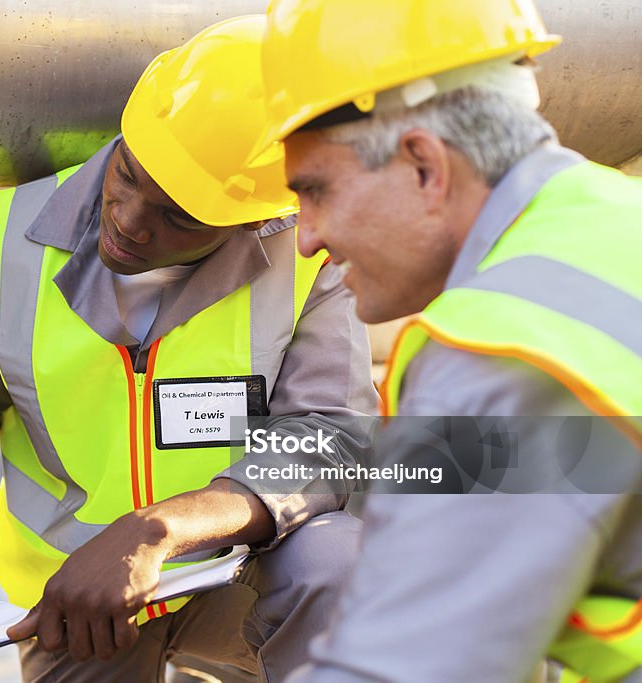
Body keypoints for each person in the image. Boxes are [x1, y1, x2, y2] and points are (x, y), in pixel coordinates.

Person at [0, 16, 377, 682]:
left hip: (238, 573)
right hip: (79, 602)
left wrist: (159, 529)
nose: (129, 220)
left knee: (341, 566)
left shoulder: (305, 256)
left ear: (250, 219)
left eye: (178, 216)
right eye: (128, 173)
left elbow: (328, 439)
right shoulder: (8, 235)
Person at [251, 0, 642, 681]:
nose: (306, 236)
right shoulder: (615, 220)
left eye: (314, 191)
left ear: (424, 167)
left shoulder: (501, 349)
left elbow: (400, 668)